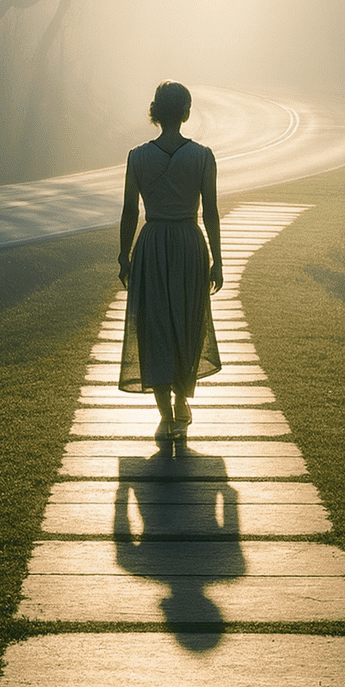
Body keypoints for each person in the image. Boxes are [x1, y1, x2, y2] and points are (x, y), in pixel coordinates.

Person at [117, 81, 223, 439]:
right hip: (190, 244)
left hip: (151, 244)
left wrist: (124, 255)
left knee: (155, 324)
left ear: (155, 113)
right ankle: (181, 401)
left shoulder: (137, 157)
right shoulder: (203, 157)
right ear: (186, 113)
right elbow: (211, 212)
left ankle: (165, 413)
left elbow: (130, 211)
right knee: (188, 320)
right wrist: (218, 260)